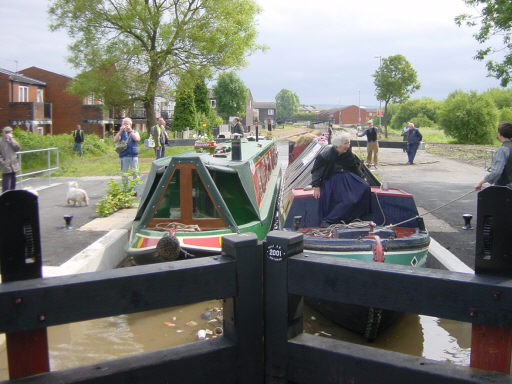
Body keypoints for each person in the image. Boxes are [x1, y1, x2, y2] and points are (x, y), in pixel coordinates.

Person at [311, 132, 371, 226]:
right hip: (332, 180)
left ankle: (356, 216)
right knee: (347, 200)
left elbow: (354, 167)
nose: (348, 146)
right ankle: (329, 220)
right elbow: (316, 171)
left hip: (348, 178)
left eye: (348, 143)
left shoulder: (349, 154)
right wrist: (316, 186)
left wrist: (362, 177)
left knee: (365, 187)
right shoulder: (326, 155)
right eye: (345, 143)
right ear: (338, 145)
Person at [475, 121, 512, 191]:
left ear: (499, 134)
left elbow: (496, 172)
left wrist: (481, 183)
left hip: (505, 190)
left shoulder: (502, 150)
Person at [114, 117, 140, 184]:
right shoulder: (121, 133)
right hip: (124, 156)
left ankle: (135, 190)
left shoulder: (134, 132)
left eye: (127, 124)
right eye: (124, 124)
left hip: (133, 156)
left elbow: (137, 139)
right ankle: (125, 190)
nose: (125, 125)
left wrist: (130, 131)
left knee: (135, 173)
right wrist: (120, 131)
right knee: (124, 174)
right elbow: (115, 140)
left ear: (130, 124)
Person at [0, 126, 21, 193]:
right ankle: (5, 199)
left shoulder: (12, 140)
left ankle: (12, 198)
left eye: (9, 132)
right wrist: (2, 162)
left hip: (13, 165)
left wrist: (11, 141)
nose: (8, 133)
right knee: (6, 185)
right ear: (3, 132)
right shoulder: (1, 141)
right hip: (6, 165)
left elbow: (17, 148)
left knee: (13, 183)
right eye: (6, 132)